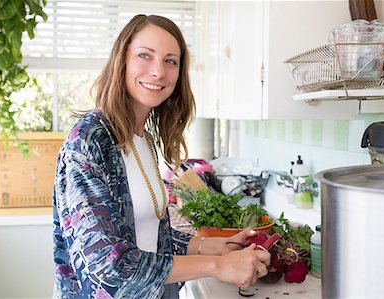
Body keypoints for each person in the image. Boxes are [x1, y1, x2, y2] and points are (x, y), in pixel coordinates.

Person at [52, 14, 271, 299]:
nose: (158, 72)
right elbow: (109, 265)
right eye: (145, 55)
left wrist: (208, 246)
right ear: (123, 60)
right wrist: (218, 266)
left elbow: (147, 237)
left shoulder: (142, 138)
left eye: (171, 61)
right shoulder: (89, 139)